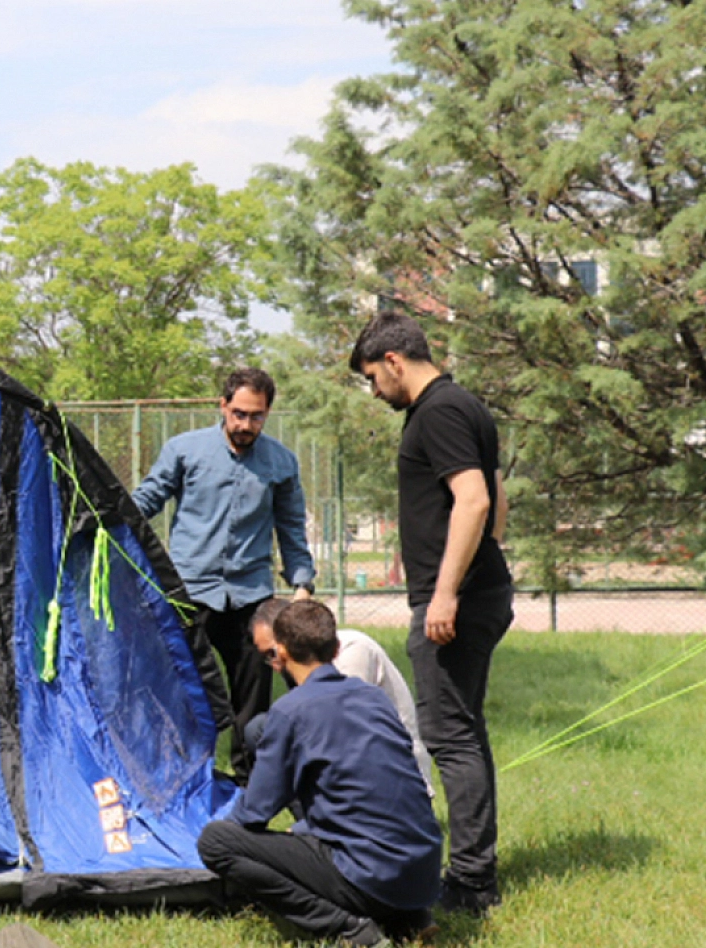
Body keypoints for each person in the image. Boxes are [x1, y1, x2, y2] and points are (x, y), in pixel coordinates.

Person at [351, 312, 514, 916]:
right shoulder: (465, 404)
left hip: (457, 599)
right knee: (463, 729)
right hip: (480, 589)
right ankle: (477, 869)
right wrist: (483, 562)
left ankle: (471, 883)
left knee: (449, 734)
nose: (374, 391)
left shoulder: (438, 411)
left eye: (373, 377)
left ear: (395, 361)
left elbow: (473, 499)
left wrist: (446, 594)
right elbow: (498, 495)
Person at [198, 600, 442, 947]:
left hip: (369, 876)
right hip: (424, 876)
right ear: (336, 648)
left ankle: (349, 928)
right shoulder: (373, 697)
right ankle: (409, 918)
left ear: (280, 654)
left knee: (216, 842)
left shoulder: (290, 710)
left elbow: (253, 814)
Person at [132, 367, 316, 777]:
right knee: (181, 689)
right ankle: (178, 777)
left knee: (253, 697)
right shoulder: (185, 450)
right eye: (238, 414)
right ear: (223, 405)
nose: (245, 424)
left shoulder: (281, 462)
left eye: (256, 416)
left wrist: (302, 582)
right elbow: (147, 499)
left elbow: (290, 526)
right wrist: (109, 523)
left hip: (250, 595)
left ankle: (249, 786)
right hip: (188, 591)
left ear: (267, 413)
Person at [246, 599, 435, 795]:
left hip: (390, 777)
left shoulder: (352, 650)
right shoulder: (303, 663)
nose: (275, 665)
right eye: (266, 657)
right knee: (264, 729)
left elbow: (343, 731)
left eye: (273, 652)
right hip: (354, 769)